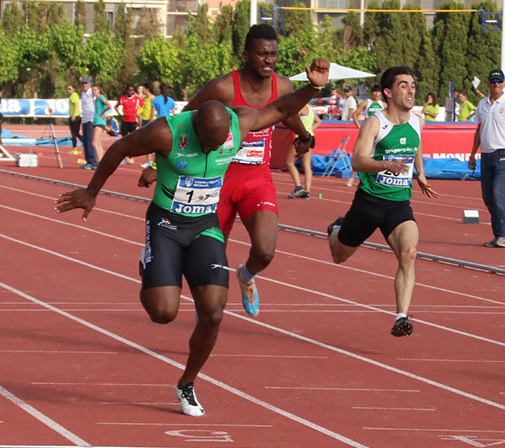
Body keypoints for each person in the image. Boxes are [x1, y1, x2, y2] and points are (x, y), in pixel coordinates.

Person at [56, 59, 329, 416]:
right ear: (196, 130)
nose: (215, 151)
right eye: (208, 145)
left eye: (221, 146)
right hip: (166, 224)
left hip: (204, 225)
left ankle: (187, 383)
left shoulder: (240, 123)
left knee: (213, 312)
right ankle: (150, 261)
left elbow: (280, 109)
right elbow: (121, 148)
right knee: (163, 313)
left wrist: (314, 88)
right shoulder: (167, 132)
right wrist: (92, 192)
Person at [139, 24, 315, 317]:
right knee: (206, 255)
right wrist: (159, 165)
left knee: (265, 250)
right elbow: (182, 122)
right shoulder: (222, 88)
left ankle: (246, 274)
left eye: (273, 54)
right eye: (262, 54)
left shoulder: (282, 86)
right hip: (217, 177)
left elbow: (286, 112)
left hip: (256, 177)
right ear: (246, 55)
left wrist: (304, 136)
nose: (269, 60)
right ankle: (197, 306)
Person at [326, 66, 439, 338]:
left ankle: (401, 316)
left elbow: (417, 146)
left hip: (399, 204)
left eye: (412, 85)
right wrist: (387, 163)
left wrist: (420, 174)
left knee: (409, 254)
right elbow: (357, 160)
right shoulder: (376, 123)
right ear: (388, 92)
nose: (411, 90)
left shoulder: (417, 121)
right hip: (369, 202)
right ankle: (336, 230)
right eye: (404, 85)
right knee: (339, 256)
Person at [467, 68, 505, 248]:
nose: (496, 84)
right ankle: (498, 234)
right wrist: (473, 153)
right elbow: (478, 130)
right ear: (489, 84)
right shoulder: (482, 104)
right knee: (488, 197)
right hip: (486, 155)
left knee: (500, 196)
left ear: (504, 84)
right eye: (493, 81)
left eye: (499, 81)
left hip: (504, 154)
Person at [348, 85, 387, 185]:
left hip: (380, 133)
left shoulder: (383, 104)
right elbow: (355, 114)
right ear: (372, 93)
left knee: (378, 155)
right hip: (368, 133)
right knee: (361, 154)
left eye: (378, 92)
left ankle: (378, 179)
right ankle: (352, 177)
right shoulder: (367, 102)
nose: (376, 94)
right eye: (375, 92)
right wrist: (359, 127)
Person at [286, 103, 320, 199]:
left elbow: (293, 120)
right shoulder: (310, 108)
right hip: (311, 137)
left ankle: (298, 187)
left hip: (302, 138)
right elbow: (318, 121)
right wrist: (309, 129)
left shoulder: (300, 107)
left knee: (289, 162)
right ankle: (307, 191)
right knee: (306, 165)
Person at [79, 77, 98, 169]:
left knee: (90, 141)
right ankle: (88, 161)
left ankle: (93, 162)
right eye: (83, 84)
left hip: (91, 119)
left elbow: (99, 99)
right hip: (84, 119)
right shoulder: (83, 93)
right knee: (85, 141)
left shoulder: (91, 93)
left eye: (86, 83)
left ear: (89, 84)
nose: (84, 85)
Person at [91, 84, 111, 162]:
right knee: (98, 142)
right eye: (93, 90)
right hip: (95, 121)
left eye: (95, 90)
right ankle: (102, 159)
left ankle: (100, 160)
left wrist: (103, 113)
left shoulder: (101, 98)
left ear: (99, 90)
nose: (94, 92)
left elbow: (109, 105)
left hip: (100, 122)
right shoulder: (96, 100)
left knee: (94, 143)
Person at [66, 84, 83, 153]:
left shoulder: (73, 95)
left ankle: (75, 148)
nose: (68, 90)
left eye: (70, 88)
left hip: (75, 116)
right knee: (76, 133)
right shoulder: (73, 95)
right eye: (67, 88)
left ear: (73, 89)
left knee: (74, 134)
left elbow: (76, 104)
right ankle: (77, 147)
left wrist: (73, 115)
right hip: (76, 116)